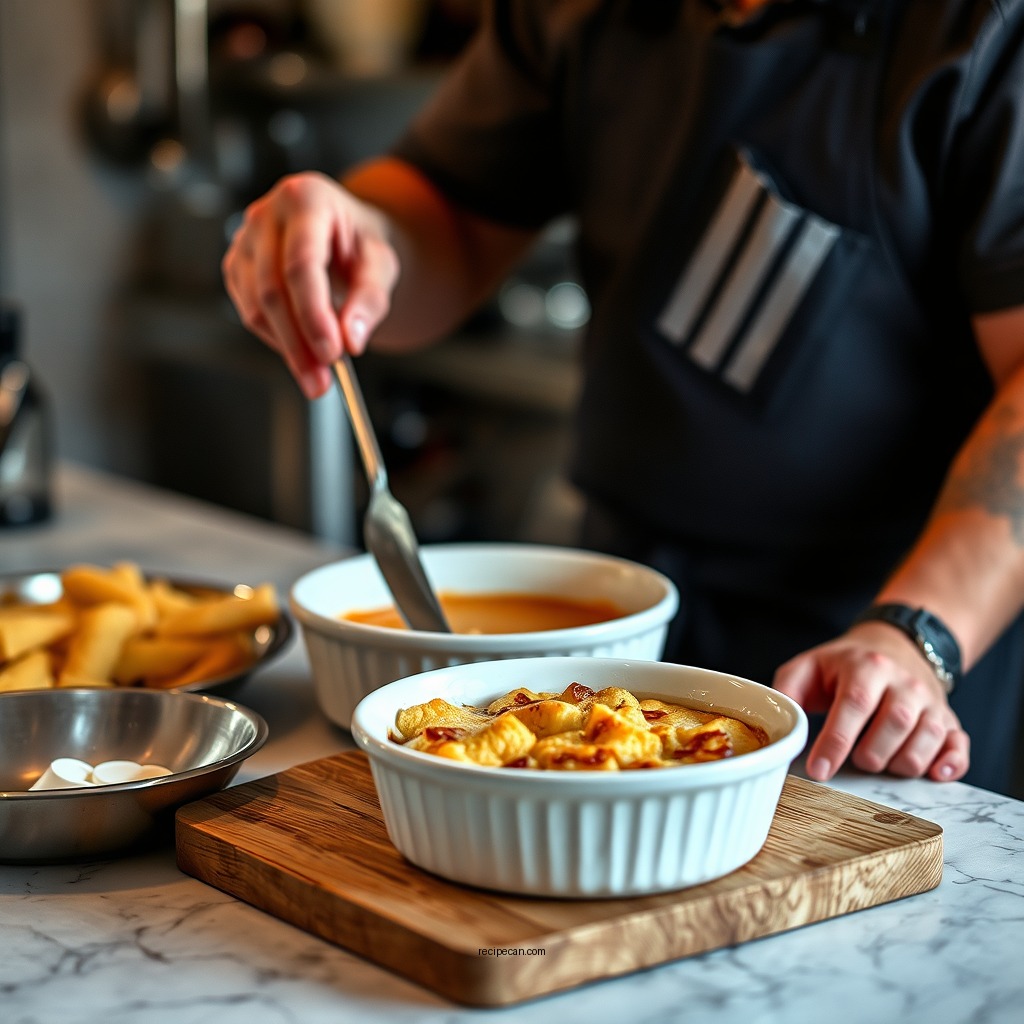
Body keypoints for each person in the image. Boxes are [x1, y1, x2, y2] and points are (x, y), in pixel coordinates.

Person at [222, 0, 1024, 796]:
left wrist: (917, 633)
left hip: (882, 655)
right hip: (619, 612)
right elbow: (451, 215)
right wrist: (355, 238)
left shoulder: (985, 33)